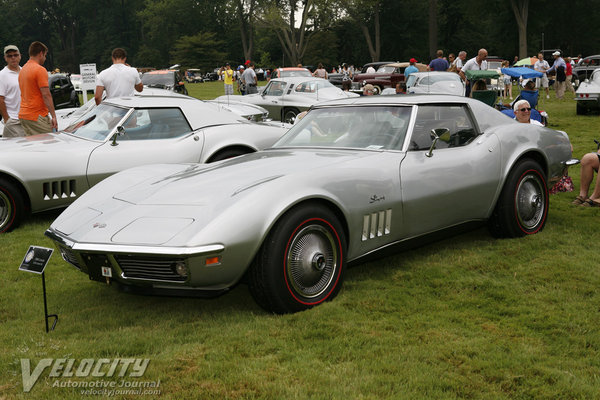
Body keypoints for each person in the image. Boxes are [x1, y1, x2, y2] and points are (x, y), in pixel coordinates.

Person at [18, 41, 57, 135]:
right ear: (40, 53)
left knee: (34, 147)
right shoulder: (39, 70)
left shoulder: (23, 70)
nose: (45, 58)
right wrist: (54, 116)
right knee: (48, 143)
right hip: (36, 115)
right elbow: (46, 95)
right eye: (45, 55)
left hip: (24, 114)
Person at [0, 44, 25, 137]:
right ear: (5, 58)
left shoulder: (24, 72)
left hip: (27, 119)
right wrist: (7, 119)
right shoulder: (2, 75)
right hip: (13, 120)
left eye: (15, 55)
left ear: (20, 56)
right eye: (9, 56)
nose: (13, 58)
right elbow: (0, 99)